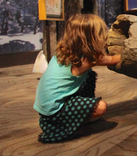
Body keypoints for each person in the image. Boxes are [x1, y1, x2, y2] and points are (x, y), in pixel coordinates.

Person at [33, 14, 121, 143]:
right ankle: (68, 127)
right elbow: (113, 59)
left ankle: (75, 117)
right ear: (91, 37)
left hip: (46, 109)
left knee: (89, 75)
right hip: (55, 111)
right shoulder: (86, 60)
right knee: (101, 107)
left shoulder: (63, 51)